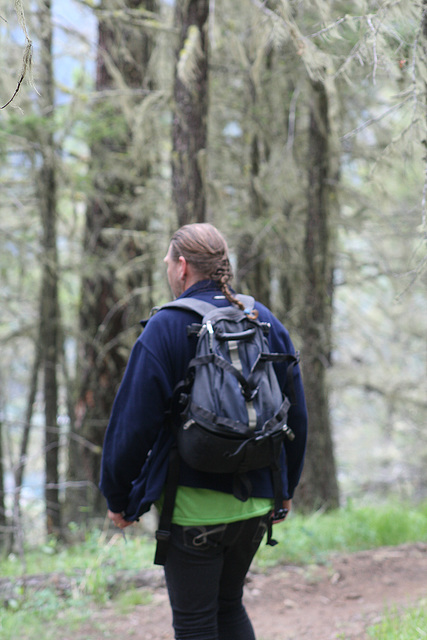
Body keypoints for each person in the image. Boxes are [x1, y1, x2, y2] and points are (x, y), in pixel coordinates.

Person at [100, 222, 308, 640]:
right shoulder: (262, 319)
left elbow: (132, 424)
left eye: (167, 263)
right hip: (255, 505)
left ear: (181, 267)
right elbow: (295, 414)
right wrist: (285, 488)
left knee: (196, 622)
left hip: (191, 507)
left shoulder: (166, 327)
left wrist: (119, 497)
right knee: (229, 607)